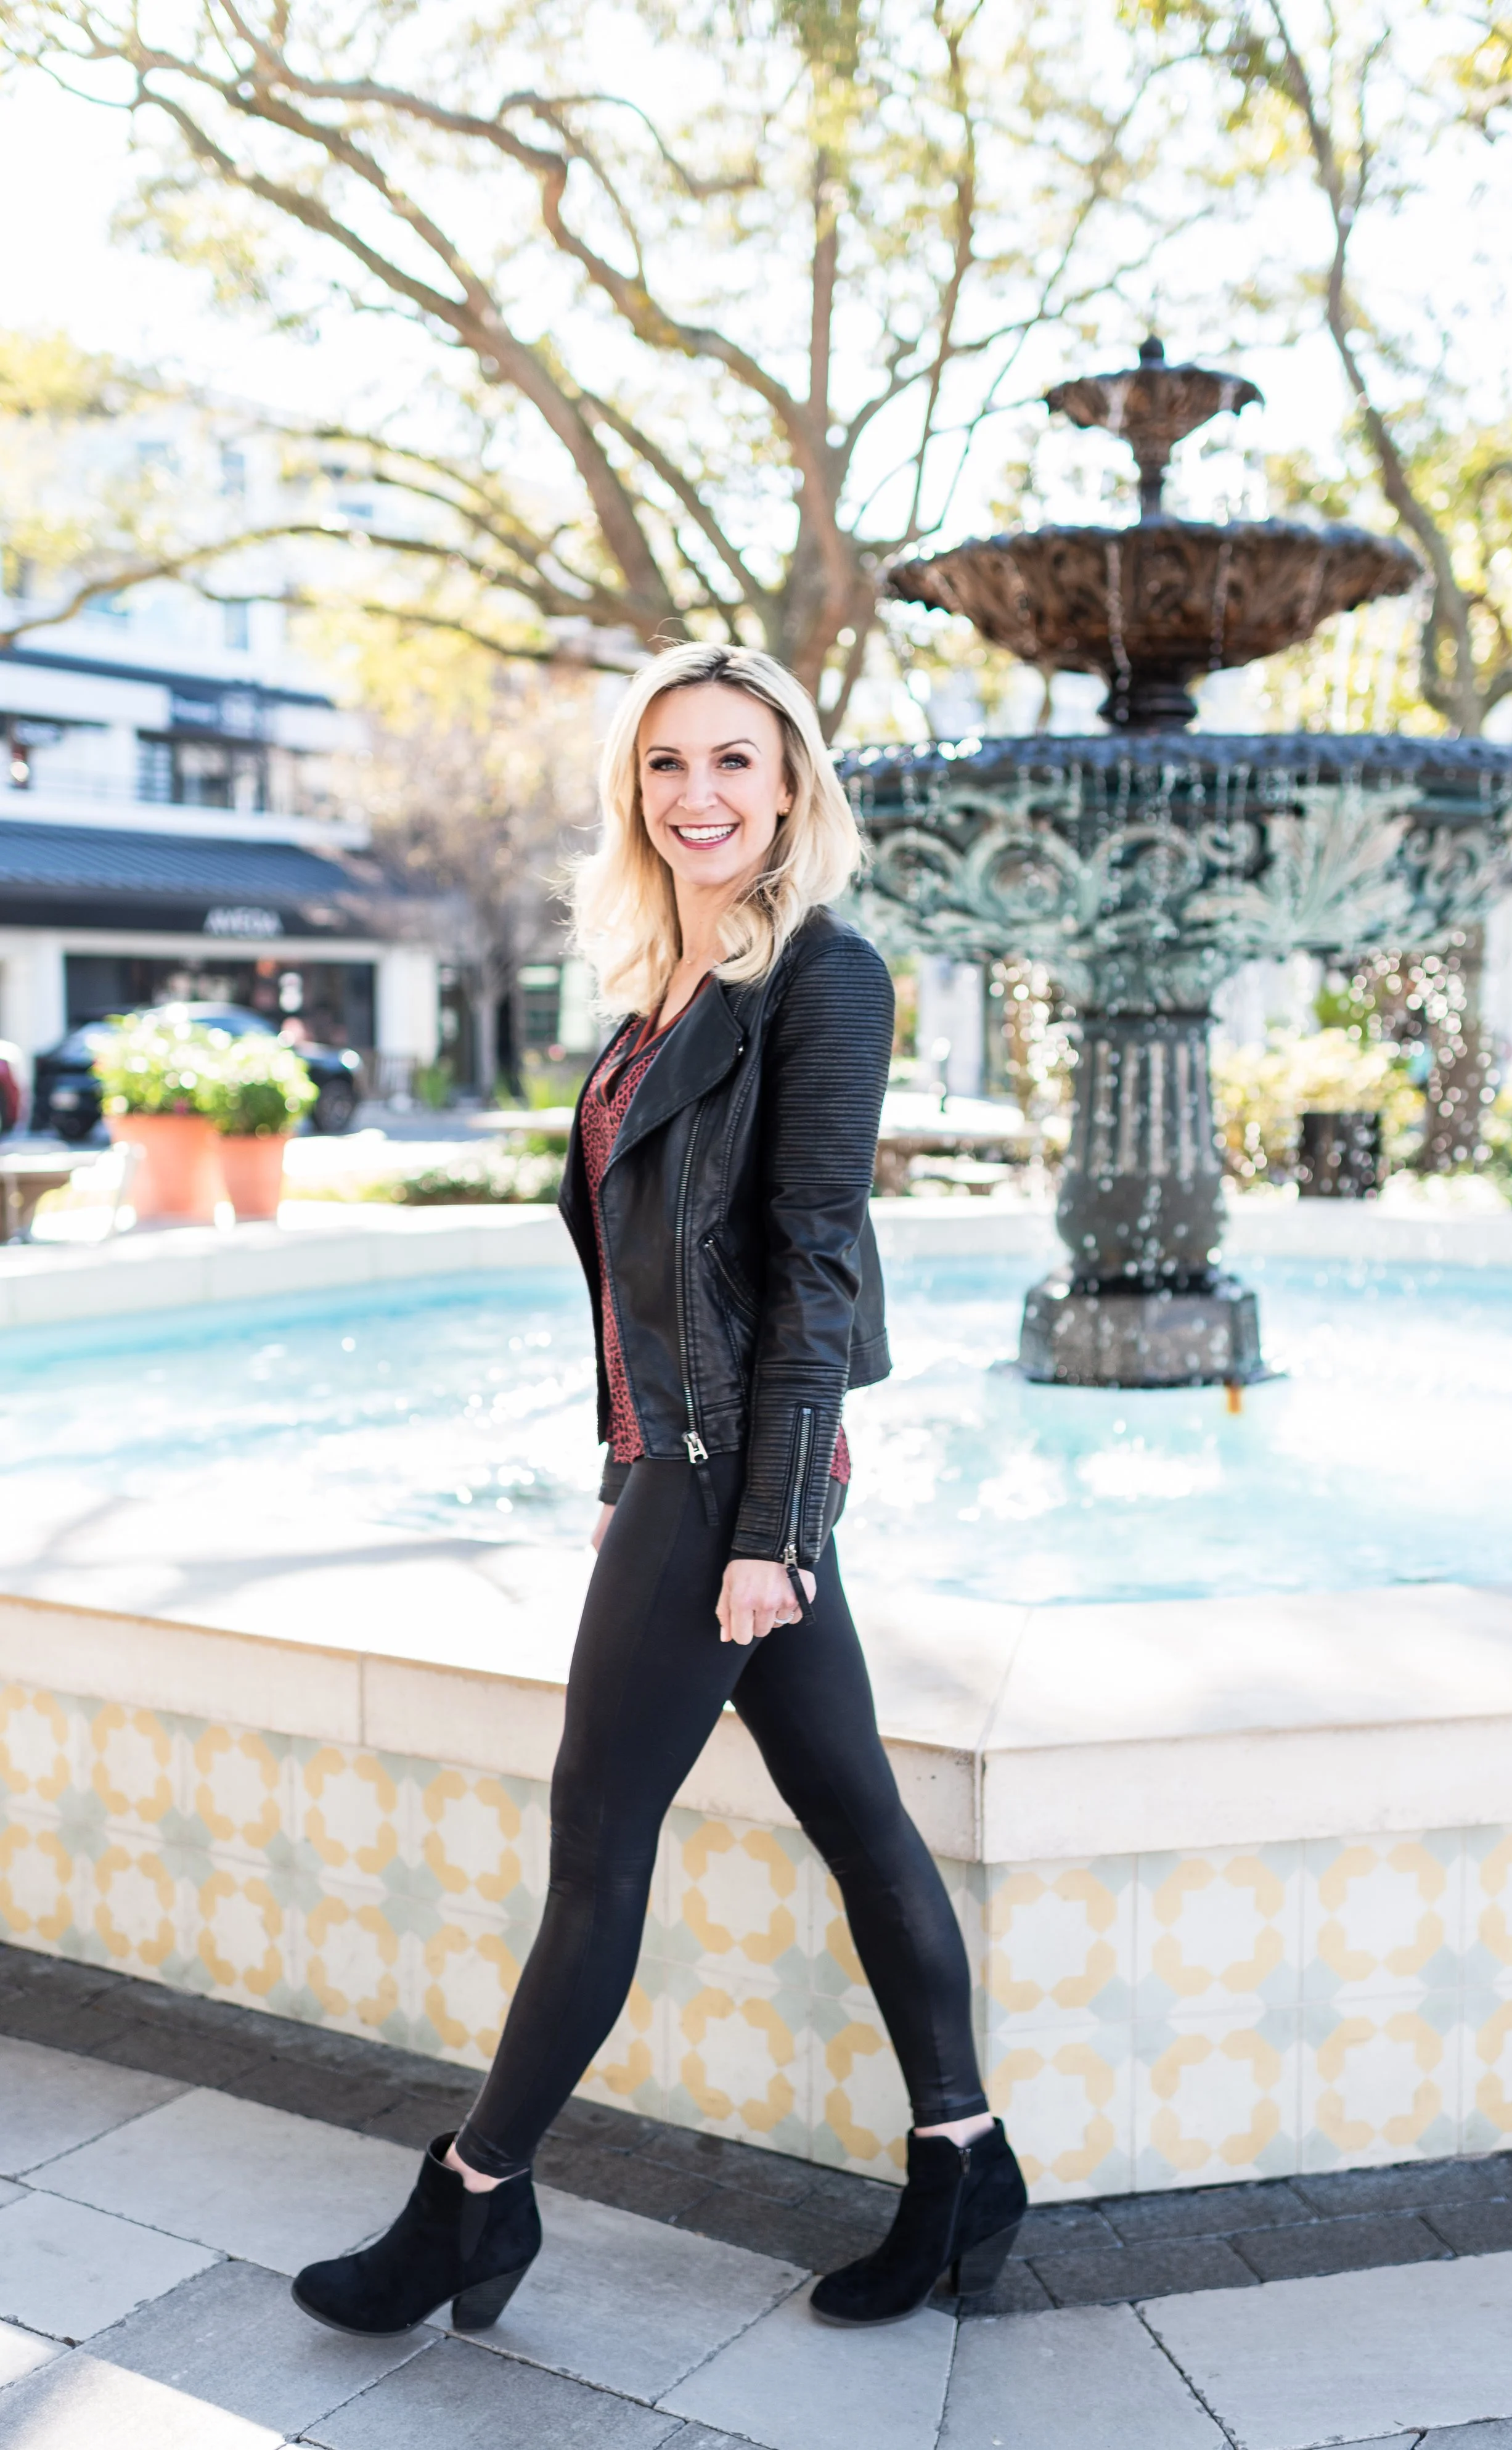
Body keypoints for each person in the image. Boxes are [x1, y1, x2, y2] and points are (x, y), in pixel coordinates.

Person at [292, 642, 1026, 2341]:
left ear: (790, 790)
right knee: (855, 1815)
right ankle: (964, 2157)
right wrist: (640, 1457)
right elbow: (650, 1271)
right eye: (667, 763)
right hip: (682, 1464)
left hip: (724, 1484)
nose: (699, 793)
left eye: (734, 763)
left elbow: (813, 1263)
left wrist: (767, 1530)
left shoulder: (824, 977)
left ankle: (470, 2202)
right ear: (636, 790)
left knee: (596, 1849)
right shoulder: (659, 997)